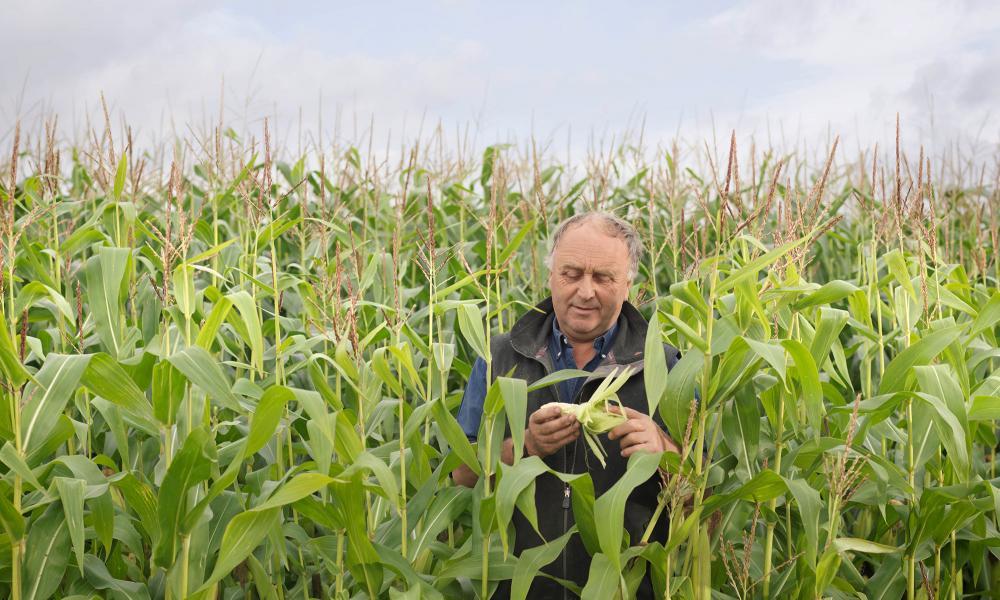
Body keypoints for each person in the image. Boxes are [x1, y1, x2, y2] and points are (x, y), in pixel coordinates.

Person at [452, 211, 681, 599]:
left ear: (627, 284)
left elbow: (705, 513)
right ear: (551, 276)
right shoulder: (498, 359)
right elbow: (459, 479)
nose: (585, 291)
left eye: (603, 277)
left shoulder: (667, 366)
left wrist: (666, 452)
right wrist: (525, 446)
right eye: (571, 274)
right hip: (518, 588)